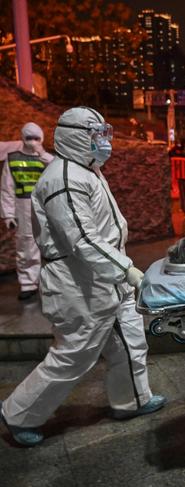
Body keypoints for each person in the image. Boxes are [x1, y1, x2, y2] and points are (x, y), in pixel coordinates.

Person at [0, 107, 166, 447]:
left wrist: (119, 271)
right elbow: (83, 239)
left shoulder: (85, 171)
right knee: (74, 353)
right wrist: (127, 270)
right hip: (77, 283)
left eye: (104, 134)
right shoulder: (62, 179)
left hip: (103, 276)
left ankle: (132, 400)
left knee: (129, 340)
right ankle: (17, 414)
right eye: (96, 135)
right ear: (76, 136)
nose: (103, 142)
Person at [0, 123, 54, 300]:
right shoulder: (13, 158)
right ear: (23, 138)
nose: (32, 142)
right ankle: (28, 284)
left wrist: (42, 153)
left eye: (36, 138)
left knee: (53, 245)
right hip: (23, 208)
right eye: (29, 138)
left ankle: (54, 283)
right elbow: (7, 187)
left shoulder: (46, 158)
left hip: (46, 207)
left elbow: (57, 170)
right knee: (26, 246)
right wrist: (8, 214)